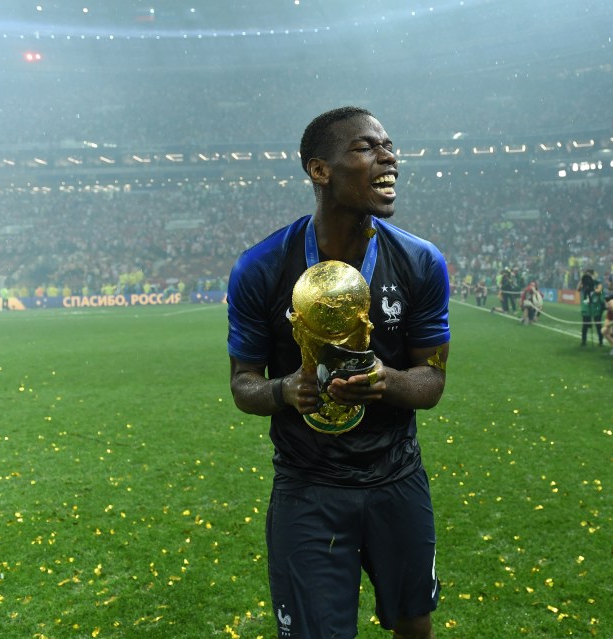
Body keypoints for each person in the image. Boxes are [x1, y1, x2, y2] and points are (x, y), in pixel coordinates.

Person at [226, 106, 450, 639]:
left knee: (413, 623)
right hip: (309, 487)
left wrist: (386, 380)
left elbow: (432, 382)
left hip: (397, 477)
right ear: (319, 170)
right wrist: (286, 390)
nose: (388, 156)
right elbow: (243, 383)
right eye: (366, 147)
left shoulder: (422, 262)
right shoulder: (260, 267)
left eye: (389, 145)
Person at [578, 268, 604, 346]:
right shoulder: (584, 282)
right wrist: (582, 280)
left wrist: (592, 287)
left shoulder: (597, 282)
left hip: (596, 305)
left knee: (598, 324)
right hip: (586, 306)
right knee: (585, 325)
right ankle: (583, 341)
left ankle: (600, 341)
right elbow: (578, 289)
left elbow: (599, 290)